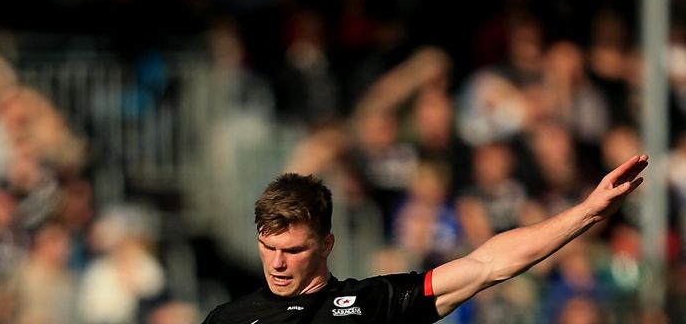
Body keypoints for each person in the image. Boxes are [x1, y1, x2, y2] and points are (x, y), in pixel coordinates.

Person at [201, 154, 649, 323]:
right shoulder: (227, 319)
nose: (277, 263)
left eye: (293, 250)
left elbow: (489, 263)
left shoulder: (372, 304)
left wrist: (587, 213)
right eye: (268, 247)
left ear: (327, 245)